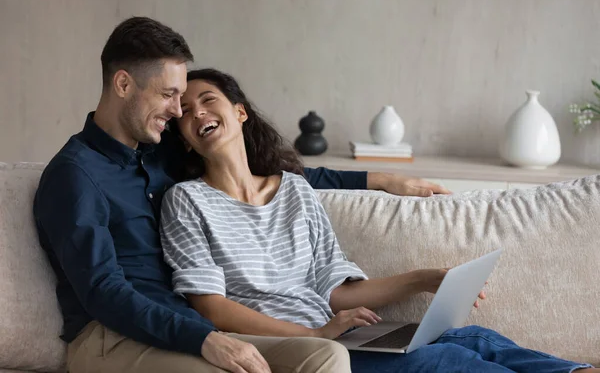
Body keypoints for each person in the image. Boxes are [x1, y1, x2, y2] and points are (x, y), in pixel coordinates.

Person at [33, 16, 450, 373]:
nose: (180, 111)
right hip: (110, 337)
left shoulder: (156, 156)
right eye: (168, 95)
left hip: (180, 326)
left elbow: (270, 174)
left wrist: (377, 180)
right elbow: (104, 292)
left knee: (325, 357)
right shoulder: (74, 176)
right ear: (123, 84)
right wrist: (204, 339)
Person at [160, 67, 597, 373]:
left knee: (476, 340)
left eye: (208, 100)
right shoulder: (186, 201)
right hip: (289, 347)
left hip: (331, 334)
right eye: (185, 112)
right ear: (182, 136)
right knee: (445, 363)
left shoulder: (294, 189)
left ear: (239, 112)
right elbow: (211, 307)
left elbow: (334, 291)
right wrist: (314, 332)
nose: (197, 112)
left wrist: (426, 279)